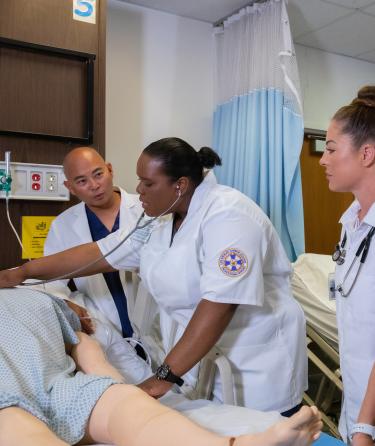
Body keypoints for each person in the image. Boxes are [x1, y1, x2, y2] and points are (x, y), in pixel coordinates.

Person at [0, 138, 308, 414]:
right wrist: (22, 272)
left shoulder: (229, 215)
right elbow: (100, 252)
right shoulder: (160, 221)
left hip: (257, 362)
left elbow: (219, 305)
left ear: (180, 185)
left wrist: (159, 380)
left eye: (148, 183)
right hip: (197, 360)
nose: (139, 191)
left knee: (266, 433)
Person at [0, 287, 322, 446]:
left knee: (130, 410)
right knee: (17, 423)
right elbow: (87, 350)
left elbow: (85, 343)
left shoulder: (43, 299)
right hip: (19, 389)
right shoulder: (39, 297)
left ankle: (235, 444)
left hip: (61, 384)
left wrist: (113, 384)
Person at [44, 147, 143, 352]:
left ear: (110, 170)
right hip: (103, 324)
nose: (95, 185)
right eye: (82, 181)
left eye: (98, 174)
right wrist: (66, 303)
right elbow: (51, 281)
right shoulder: (62, 226)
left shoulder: (146, 209)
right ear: (69, 187)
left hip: (154, 321)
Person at [319, 86, 375, 444]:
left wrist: (365, 427)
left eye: (330, 148)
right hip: (356, 406)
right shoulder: (352, 222)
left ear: (367, 153)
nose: (323, 159)